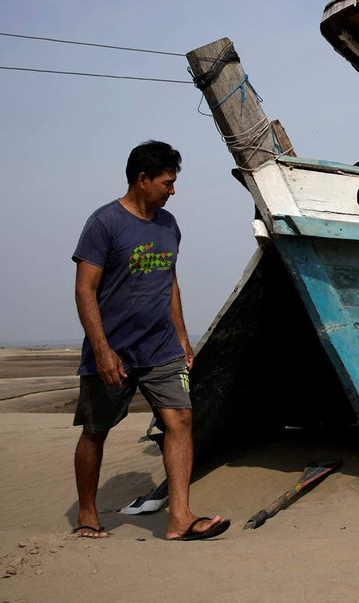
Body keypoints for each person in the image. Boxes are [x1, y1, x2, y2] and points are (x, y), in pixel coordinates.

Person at [70, 140, 229, 541]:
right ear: (142, 180)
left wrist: (182, 338)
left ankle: (180, 517)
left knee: (181, 420)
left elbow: (169, 282)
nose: (172, 191)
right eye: (166, 182)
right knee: (95, 430)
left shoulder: (169, 225)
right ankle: (88, 512)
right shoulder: (104, 223)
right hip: (113, 352)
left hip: (161, 349)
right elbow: (84, 290)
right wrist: (103, 349)